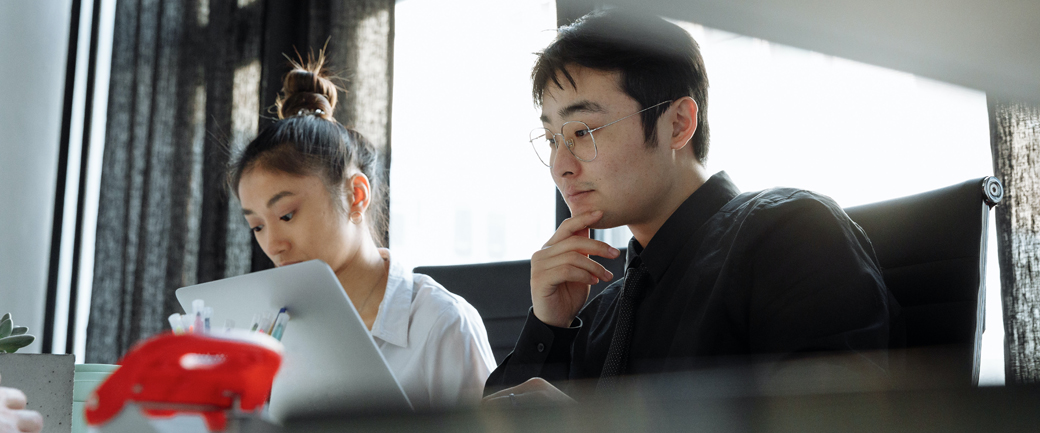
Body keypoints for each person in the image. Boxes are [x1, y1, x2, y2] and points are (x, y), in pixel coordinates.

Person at [483, 9, 894, 404]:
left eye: (583, 131)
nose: (560, 166)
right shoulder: (602, 314)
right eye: (552, 139)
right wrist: (547, 326)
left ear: (677, 124)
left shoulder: (790, 233)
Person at [229, 54, 496, 410]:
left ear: (356, 195)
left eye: (288, 215)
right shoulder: (273, 331)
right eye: (257, 226)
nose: (273, 244)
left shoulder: (441, 323)